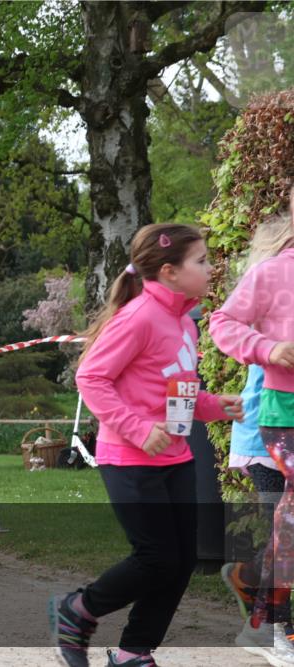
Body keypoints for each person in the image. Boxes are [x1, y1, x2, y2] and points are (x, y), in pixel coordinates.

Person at [49, 224, 244, 667]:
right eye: (202, 260)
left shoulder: (184, 321)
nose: (211, 268)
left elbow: (177, 392)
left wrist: (217, 406)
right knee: (156, 558)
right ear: (171, 271)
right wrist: (137, 429)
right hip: (130, 459)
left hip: (176, 458)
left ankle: (134, 652)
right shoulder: (138, 316)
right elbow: (91, 378)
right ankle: (78, 610)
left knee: (181, 562)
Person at [210, 195, 294, 663]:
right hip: (280, 415)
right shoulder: (273, 273)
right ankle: (277, 629)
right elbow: (222, 322)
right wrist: (269, 349)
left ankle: (260, 614)